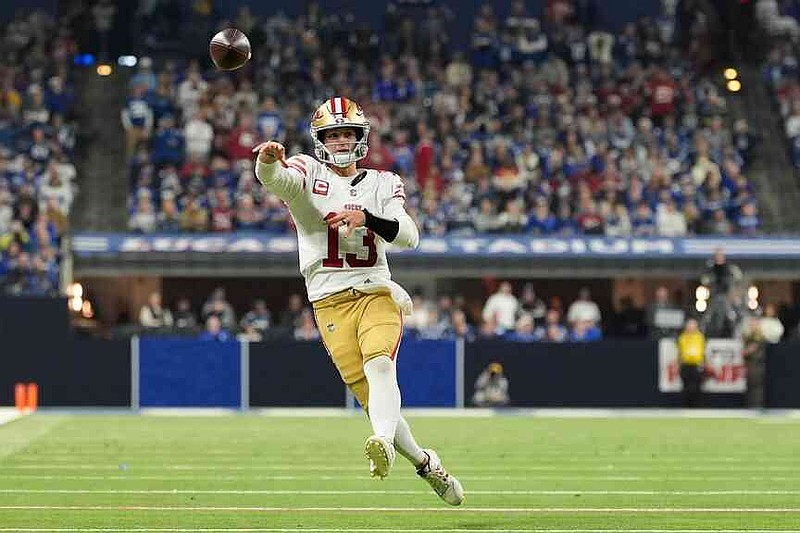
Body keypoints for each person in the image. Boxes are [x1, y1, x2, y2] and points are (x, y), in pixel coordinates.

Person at [253, 96, 463, 505]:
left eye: (348, 132)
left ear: (361, 136)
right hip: (328, 300)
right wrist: (267, 161)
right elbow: (276, 180)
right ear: (321, 140)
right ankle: (425, 462)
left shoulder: (383, 182)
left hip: (374, 289)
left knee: (381, 363)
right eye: (333, 134)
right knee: (374, 399)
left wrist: (366, 218)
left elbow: (409, 236)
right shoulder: (307, 171)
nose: (341, 141)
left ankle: (381, 441)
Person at [677, 318, 705, 407]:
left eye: (693, 325)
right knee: (686, 387)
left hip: (696, 365)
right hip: (685, 365)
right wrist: (678, 364)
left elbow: (702, 351)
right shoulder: (682, 337)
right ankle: (686, 407)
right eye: (689, 325)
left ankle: (697, 407)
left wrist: (704, 363)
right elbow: (680, 352)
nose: (691, 327)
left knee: (696, 387)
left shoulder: (700, 337)